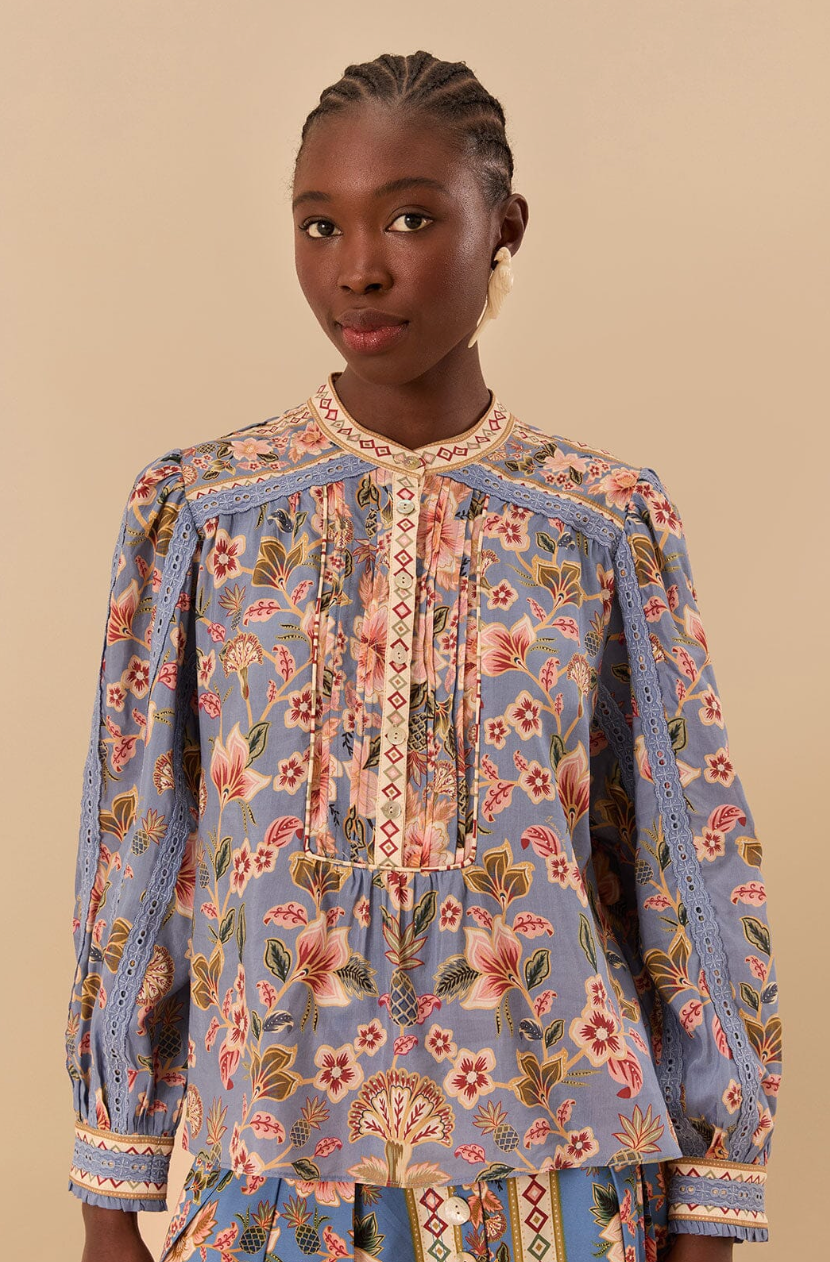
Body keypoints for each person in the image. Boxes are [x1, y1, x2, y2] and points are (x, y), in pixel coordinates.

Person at [65, 50, 782, 1262]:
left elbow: (687, 860)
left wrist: (712, 1202)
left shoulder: (602, 523)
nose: (358, 266)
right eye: (319, 224)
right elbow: (138, 853)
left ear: (502, 226)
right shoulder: (201, 514)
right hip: (266, 1176)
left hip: (562, 1182)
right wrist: (108, 1193)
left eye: (408, 217)